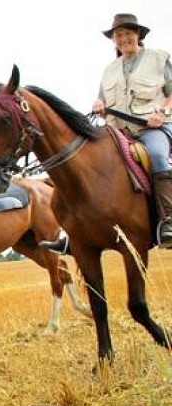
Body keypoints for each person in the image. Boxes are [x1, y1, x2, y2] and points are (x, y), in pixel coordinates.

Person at [93, 13, 172, 247]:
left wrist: (163, 114)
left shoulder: (160, 58)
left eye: (128, 33)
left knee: (157, 155)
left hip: (151, 128)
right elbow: (101, 100)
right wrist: (99, 106)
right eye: (118, 35)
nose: (123, 38)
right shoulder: (109, 70)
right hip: (117, 131)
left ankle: (168, 219)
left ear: (138, 35)